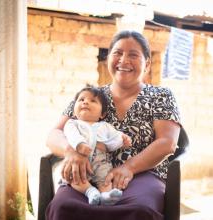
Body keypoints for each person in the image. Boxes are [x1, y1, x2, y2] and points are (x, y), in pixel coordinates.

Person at [45, 30, 181, 220]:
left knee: (141, 210)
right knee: (64, 207)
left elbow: (167, 142)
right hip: (88, 175)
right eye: (117, 53)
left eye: (133, 55)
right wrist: (71, 151)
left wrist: (129, 168)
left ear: (148, 63)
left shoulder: (161, 96)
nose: (123, 60)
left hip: (142, 175)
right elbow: (54, 134)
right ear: (108, 58)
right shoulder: (90, 96)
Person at [60, 85, 132, 205]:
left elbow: (112, 141)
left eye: (92, 101)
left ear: (102, 114)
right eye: (81, 100)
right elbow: (71, 135)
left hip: (101, 161)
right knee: (75, 177)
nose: (85, 102)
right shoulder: (73, 124)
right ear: (73, 110)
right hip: (79, 162)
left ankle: (105, 196)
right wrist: (79, 145)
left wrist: (121, 141)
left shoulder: (105, 126)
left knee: (106, 179)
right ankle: (90, 191)